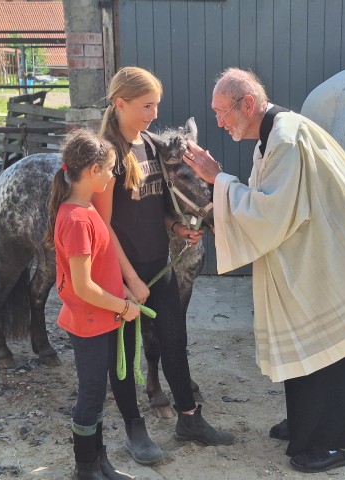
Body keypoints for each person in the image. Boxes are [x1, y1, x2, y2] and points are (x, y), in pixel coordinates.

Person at [183, 67, 345, 474]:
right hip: (320, 250)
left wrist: (216, 178)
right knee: (314, 343)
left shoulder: (285, 139)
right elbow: (267, 203)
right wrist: (212, 210)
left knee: (335, 345)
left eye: (222, 112)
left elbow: (268, 213)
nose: (219, 122)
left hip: (335, 258)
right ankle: (310, 422)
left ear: (248, 104)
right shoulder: (273, 134)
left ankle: (338, 441)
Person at [92, 66, 235, 462]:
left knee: (174, 341)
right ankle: (134, 430)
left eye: (156, 104)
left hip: (159, 263)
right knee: (125, 352)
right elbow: (103, 228)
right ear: (120, 103)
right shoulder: (106, 155)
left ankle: (189, 418)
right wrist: (130, 281)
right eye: (146, 105)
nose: (154, 113)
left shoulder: (151, 146)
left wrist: (176, 225)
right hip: (121, 272)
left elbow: (155, 206)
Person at [43, 129, 139, 480]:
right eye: (111, 169)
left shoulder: (84, 209)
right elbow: (83, 287)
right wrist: (123, 306)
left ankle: (100, 463)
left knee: (97, 394)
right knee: (91, 395)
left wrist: (122, 295)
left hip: (102, 317)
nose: (113, 176)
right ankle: (85, 468)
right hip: (90, 321)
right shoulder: (77, 219)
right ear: (95, 170)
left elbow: (100, 269)